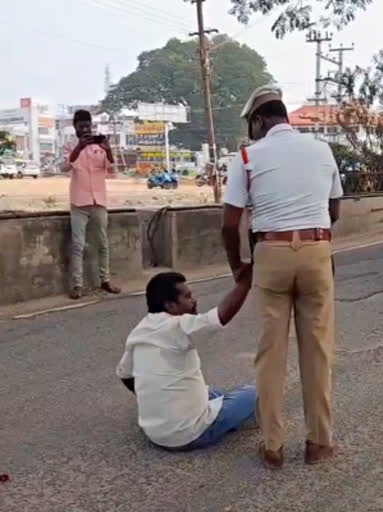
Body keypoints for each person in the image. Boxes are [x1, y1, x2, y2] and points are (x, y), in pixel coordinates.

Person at [221, 85, 343, 469]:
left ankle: (273, 446)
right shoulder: (322, 150)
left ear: (259, 120)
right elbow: (334, 208)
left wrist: (238, 266)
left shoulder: (245, 157)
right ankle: (319, 443)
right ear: (285, 116)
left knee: (271, 355)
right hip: (316, 250)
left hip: (269, 253)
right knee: (318, 351)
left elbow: (229, 224)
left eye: (251, 124)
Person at [116, 270, 256, 450]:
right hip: (189, 435)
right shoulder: (177, 325)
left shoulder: (139, 331)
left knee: (211, 392)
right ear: (171, 306)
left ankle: (233, 411)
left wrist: (152, 398)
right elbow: (217, 319)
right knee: (261, 390)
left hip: (153, 432)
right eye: (188, 297)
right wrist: (244, 283)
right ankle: (245, 417)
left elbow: (124, 374)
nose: (194, 301)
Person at [61, 110, 121, 299]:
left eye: (88, 125)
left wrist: (108, 149)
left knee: (103, 244)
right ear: (75, 126)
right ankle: (77, 285)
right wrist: (78, 148)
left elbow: (112, 170)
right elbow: (64, 167)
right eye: (82, 126)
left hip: (99, 202)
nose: (86, 129)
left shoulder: (100, 147)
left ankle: (105, 280)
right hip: (79, 203)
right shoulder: (70, 146)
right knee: (78, 245)